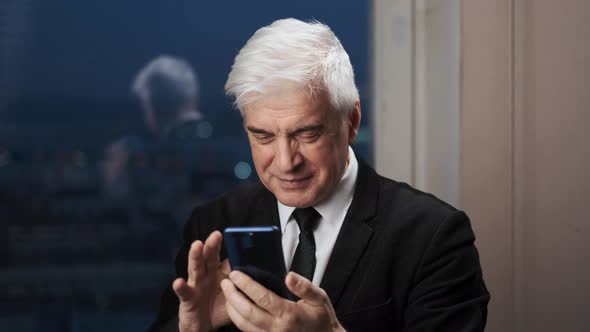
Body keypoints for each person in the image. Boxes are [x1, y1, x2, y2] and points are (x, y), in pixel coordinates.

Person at [149, 18, 489, 332]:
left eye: (307, 134)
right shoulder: (213, 224)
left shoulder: (434, 235)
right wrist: (190, 329)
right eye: (263, 136)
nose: (285, 162)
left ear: (352, 121)